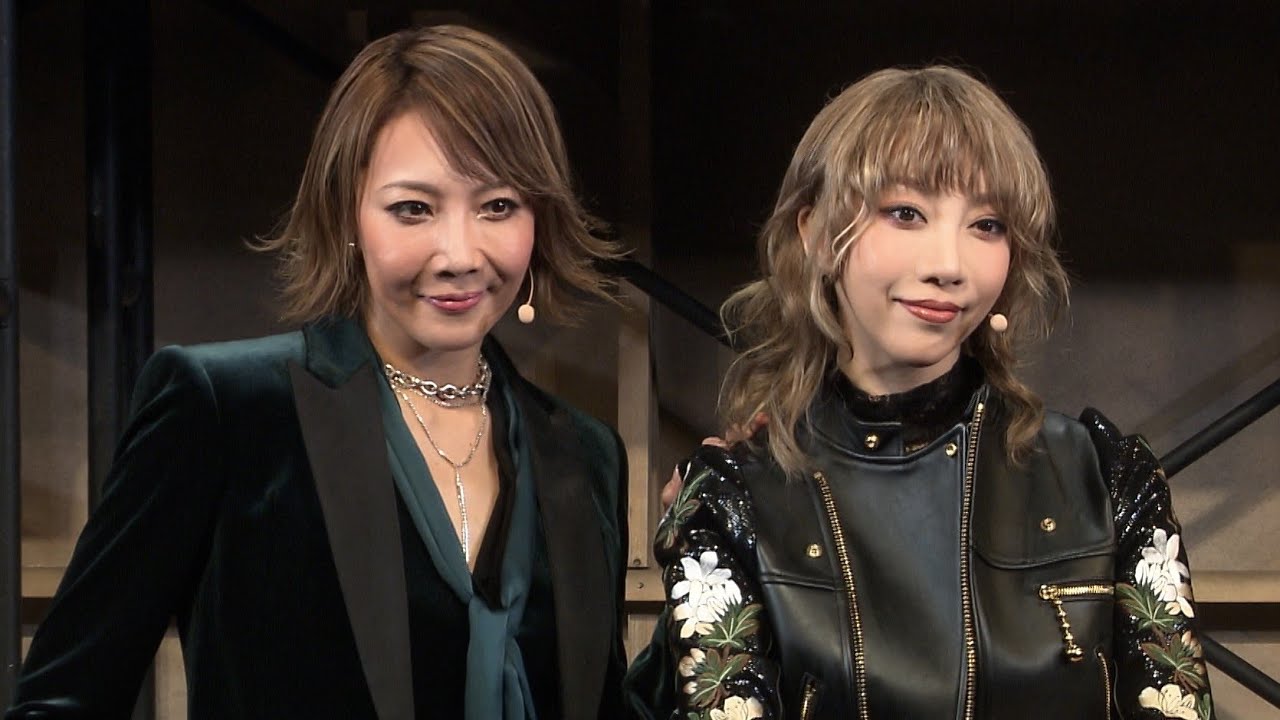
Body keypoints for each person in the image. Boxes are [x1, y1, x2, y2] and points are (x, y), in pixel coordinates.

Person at [9, 25, 627, 720]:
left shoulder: (585, 454)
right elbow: (60, 701)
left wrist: (710, 571)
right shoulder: (224, 410)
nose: (459, 254)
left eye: (498, 207)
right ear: (346, 215)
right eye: (413, 209)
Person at [624, 66, 1214, 719]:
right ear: (814, 232)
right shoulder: (731, 499)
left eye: (987, 225)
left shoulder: (1107, 477)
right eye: (906, 213)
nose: (949, 265)